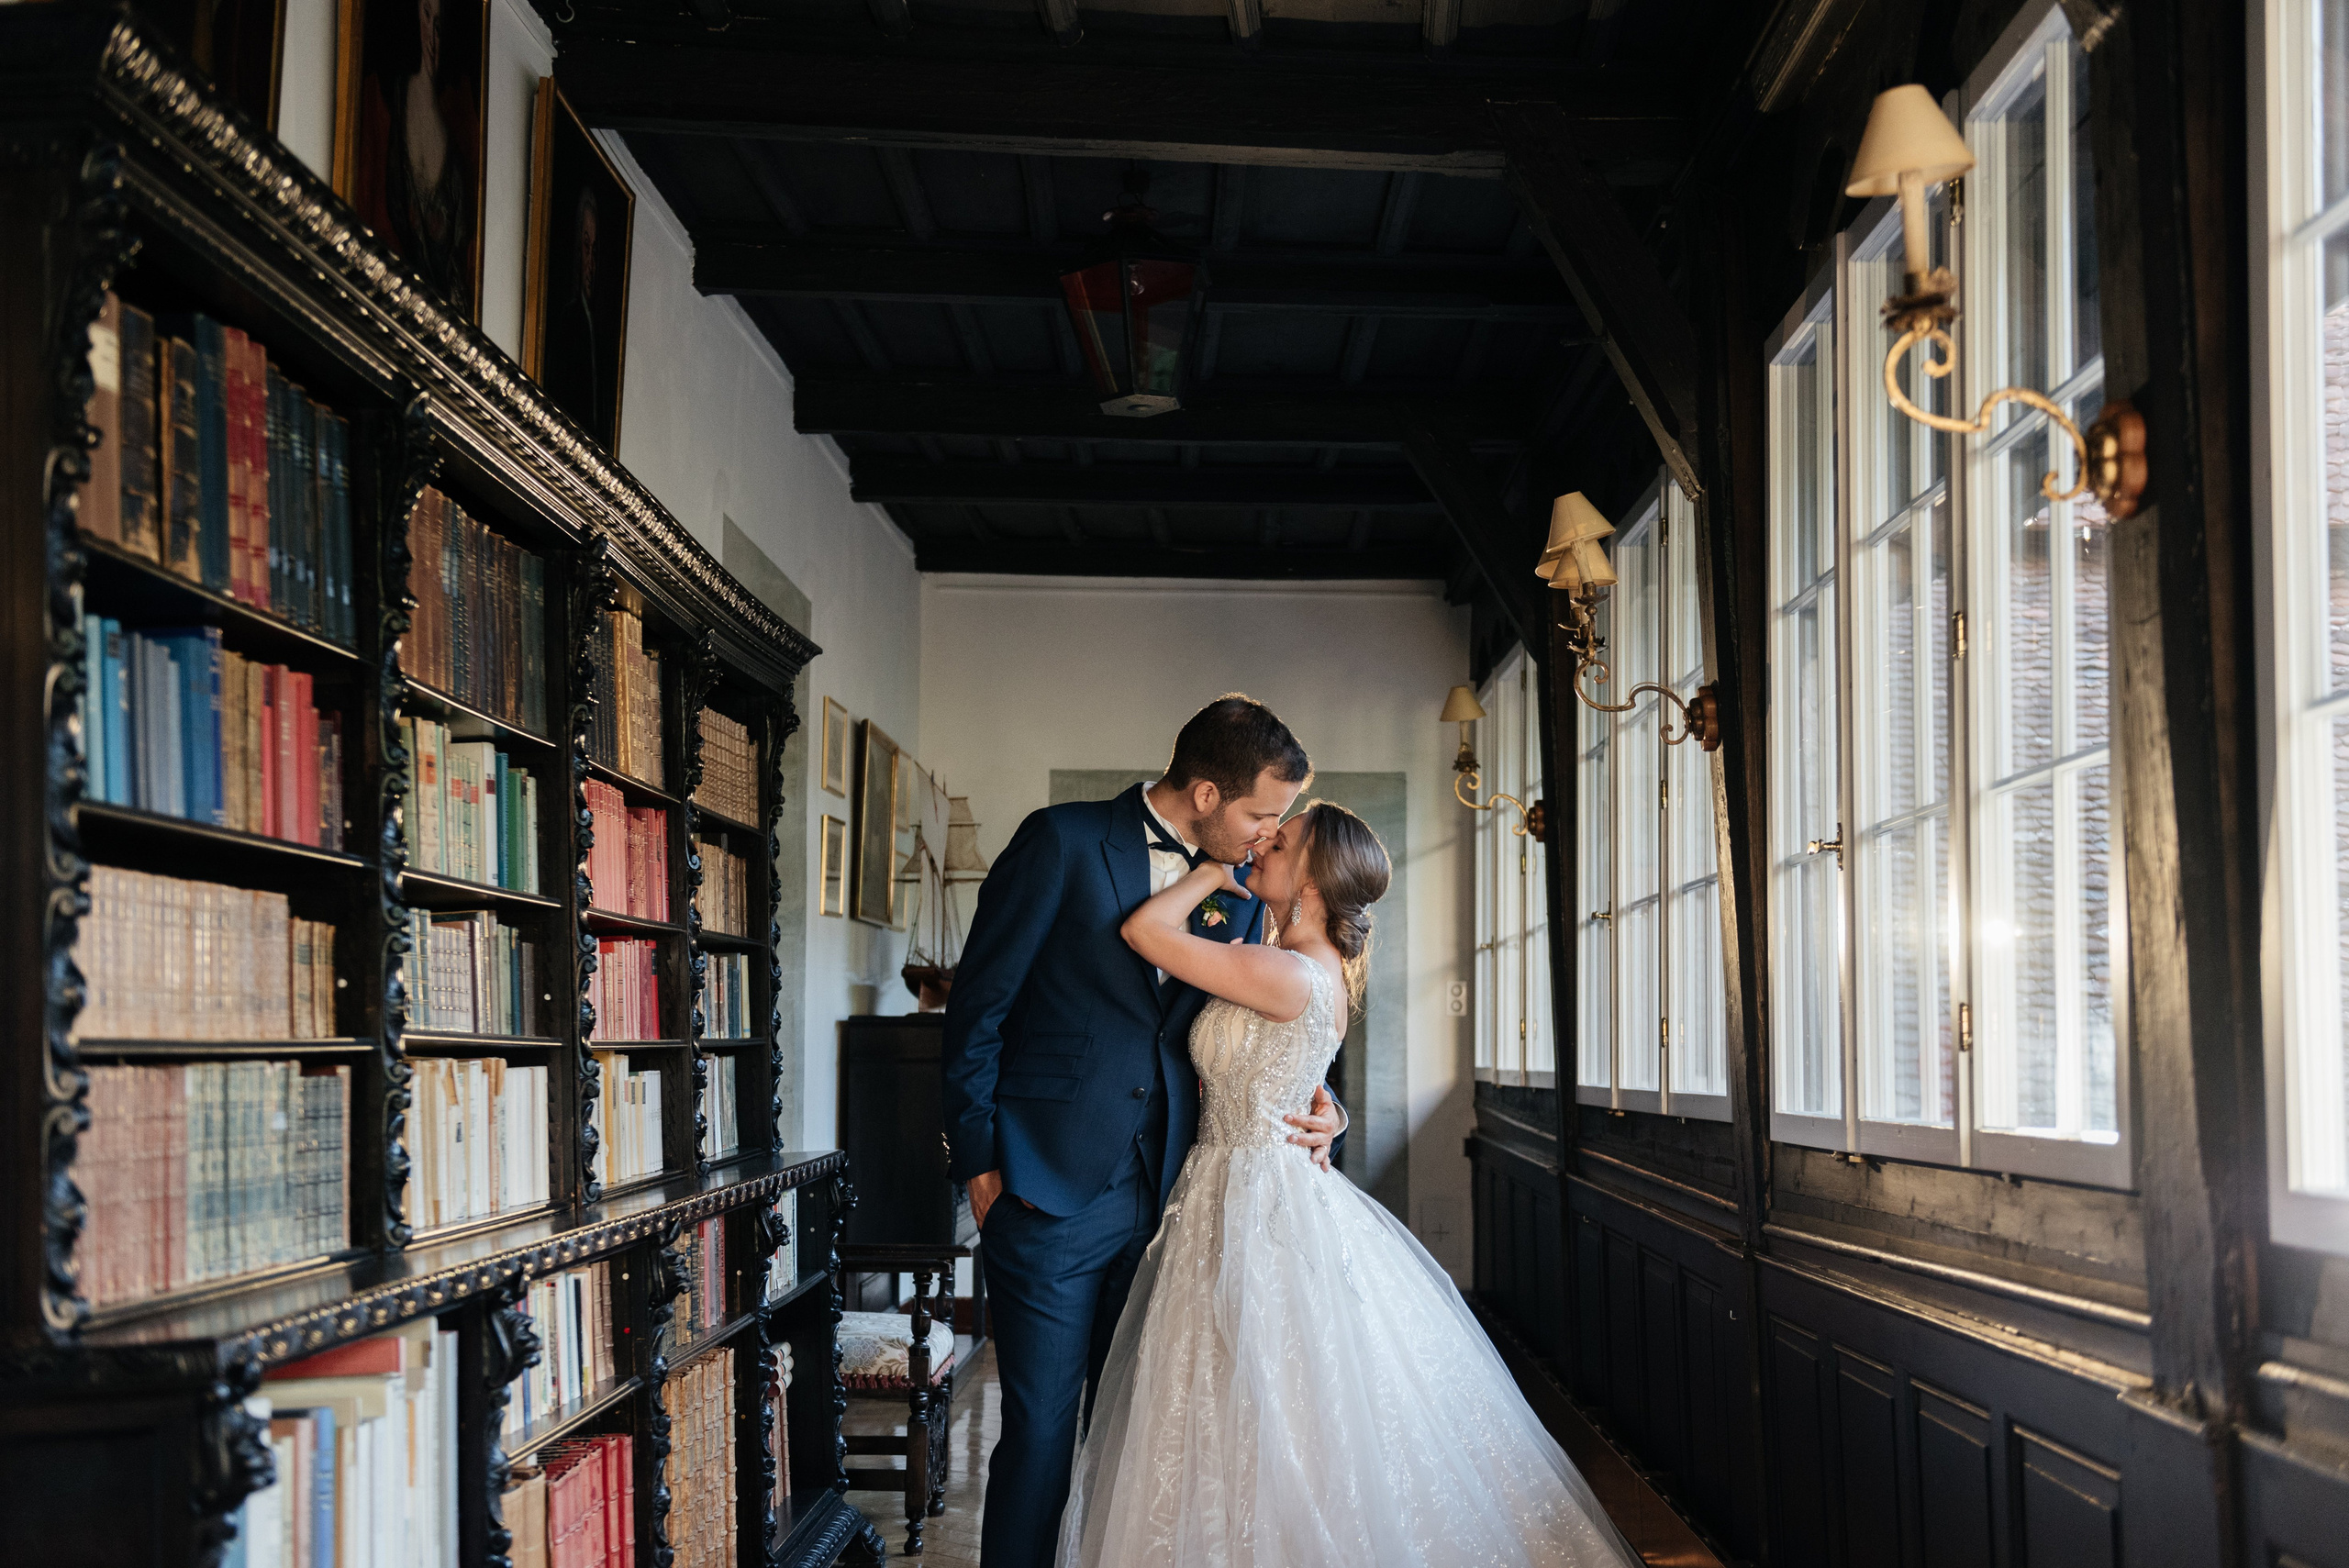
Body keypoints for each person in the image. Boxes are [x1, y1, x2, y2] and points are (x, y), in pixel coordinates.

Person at [1056, 802, 1645, 1568]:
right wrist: (1329, 1107)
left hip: (1254, 1205)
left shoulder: (1288, 969)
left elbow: (1142, 933)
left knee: (1268, 1407)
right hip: (1234, 1189)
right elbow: (1291, 1070)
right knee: (1231, 1404)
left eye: (1285, 837)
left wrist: (1211, 870)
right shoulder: (1302, 962)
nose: (1266, 839)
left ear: (1313, 878)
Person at [941, 696, 1347, 1568]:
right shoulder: (1059, 841)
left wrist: (1326, 1109)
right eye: (1260, 815)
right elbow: (977, 1010)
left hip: (1175, 1198)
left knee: (1135, 1437)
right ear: (1206, 792)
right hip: (1045, 1190)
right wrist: (979, 1163)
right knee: (1043, 1436)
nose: (1268, 836)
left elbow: (1270, 1030)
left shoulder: (1240, 893)